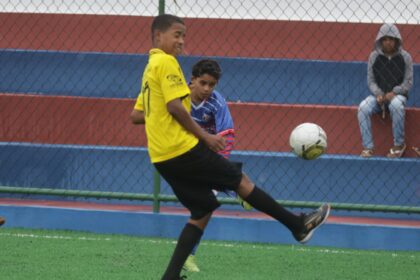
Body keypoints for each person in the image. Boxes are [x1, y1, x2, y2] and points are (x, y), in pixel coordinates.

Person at [130, 14, 330, 280]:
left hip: (161, 157)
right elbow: (175, 107)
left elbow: (136, 115)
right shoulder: (167, 62)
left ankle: (170, 277)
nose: (181, 40)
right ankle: (298, 225)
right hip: (182, 149)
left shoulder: (150, 66)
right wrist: (206, 137)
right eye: (176, 34)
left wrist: (160, 117)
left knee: (202, 211)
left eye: (183, 35)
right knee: (240, 180)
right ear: (158, 37)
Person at [182, 59, 252, 273]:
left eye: (212, 85)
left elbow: (227, 136)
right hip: (183, 153)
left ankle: (188, 256)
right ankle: (234, 185)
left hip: (209, 155)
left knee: (204, 205)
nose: (207, 89)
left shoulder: (217, 103)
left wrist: (217, 166)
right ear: (192, 80)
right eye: (203, 83)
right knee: (202, 203)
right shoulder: (179, 98)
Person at [357, 23, 413, 158]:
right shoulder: (373, 57)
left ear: (396, 40)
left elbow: (408, 81)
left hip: (398, 96)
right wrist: (379, 94)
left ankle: (398, 145)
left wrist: (394, 92)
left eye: (391, 39)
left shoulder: (406, 57)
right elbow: (371, 81)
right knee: (363, 107)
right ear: (380, 40)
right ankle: (368, 147)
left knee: (396, 105)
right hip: (379, 97)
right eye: (385, 39)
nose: (388, 42)